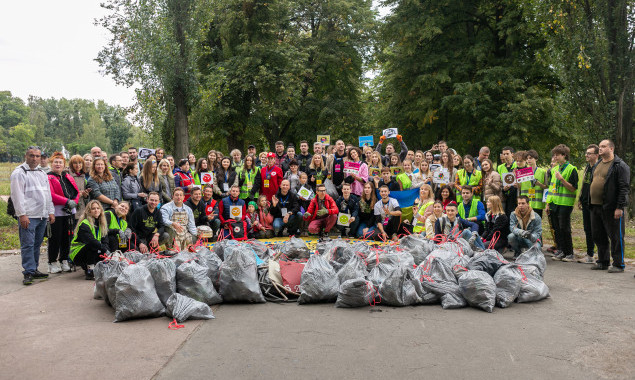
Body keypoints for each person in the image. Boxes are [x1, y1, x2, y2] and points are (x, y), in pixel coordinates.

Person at [589, 139, 630, 272]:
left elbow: (624, 188)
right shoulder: (598, 164)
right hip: (595, 206)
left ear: (611, 148)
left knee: (616, 236)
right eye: (599, 146)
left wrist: (619, 207)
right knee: (598, 235)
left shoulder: (619, 165)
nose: (600, 149)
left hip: (611, 207)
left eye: (603, 146)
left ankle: (618, 264)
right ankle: (603, 261)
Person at [47, 152, 80, 273]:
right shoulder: (48, 177)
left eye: (60, 162)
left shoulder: (67, 176)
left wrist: (74, 202)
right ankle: (52, 261)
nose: (58, 164)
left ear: (64, 164)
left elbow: (76, 192)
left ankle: (64, 259)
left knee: (68, 237)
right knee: (55, 237)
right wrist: (66, 201)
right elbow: (51, 194)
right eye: (55, 162)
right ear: (52, 163)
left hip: (69, 210)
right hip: (57, 211)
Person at [546, 144, 579, 262]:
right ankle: (560, 250)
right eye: (554, 155)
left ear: (564, 155)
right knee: (556, 228)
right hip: (554, 203)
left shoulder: (571, 169)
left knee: (564, 228)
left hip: (565, 203)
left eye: (557, 155)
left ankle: (569, 252)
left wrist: (562, 179)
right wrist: (548, 203)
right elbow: (551, 188)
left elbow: (573, 188)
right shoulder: (554, 169)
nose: (555, 157)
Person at [69, 200, 109, 280]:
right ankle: (90, 270)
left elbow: (105, 240)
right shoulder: (85, 223)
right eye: (93, 208)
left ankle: (94, 266)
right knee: (93, 245)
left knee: (102, 248)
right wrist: (104, 250)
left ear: (101, 210)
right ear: (89, 211)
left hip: (90, 251)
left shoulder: (101, 223)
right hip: (77, 253)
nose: (96, 210)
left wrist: (107, 251)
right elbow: (91, 241)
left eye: (98, 208)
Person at [576, 145, 599, 264]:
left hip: (595, 204)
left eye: (589, 153)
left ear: (596, 155)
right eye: (586, 153)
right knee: (587, 229)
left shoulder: (598, 167)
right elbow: (585, 184)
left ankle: (600, 255)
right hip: (585, 202)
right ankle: (590, 255)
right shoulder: (587, 168)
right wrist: (580, 198)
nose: (586, 155)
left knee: (596, 229)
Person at [521, 150, 548, 218]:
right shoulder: (523, 172)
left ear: (536, 159)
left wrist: (539, 184)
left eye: (530, 158)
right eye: (527, 159)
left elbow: (546, 187)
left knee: (536, 224)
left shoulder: (543, 172)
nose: (528, 160)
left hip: (537, 203)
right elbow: (519, 188)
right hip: (526, 203)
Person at [497, 146, 517, 216]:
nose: (505, 156)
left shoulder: (517, 164)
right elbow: (499, 181)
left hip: (516, 194)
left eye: (507, 154)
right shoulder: (500, 167)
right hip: (505, 194)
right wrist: (503, 188)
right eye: (504, 154)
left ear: (512, 154)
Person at [69, 154, 90, 220]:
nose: (78, 165)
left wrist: (85, 194)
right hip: (72, 207)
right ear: (71, 164)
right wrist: (78, 194)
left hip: (82, 207)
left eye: (80, 163)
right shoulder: (68, 175)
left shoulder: (83, 176)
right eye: (75, 163)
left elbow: (85, 196)